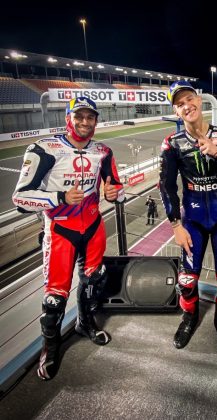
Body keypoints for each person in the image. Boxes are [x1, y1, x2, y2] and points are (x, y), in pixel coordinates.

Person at [12, 96, 125, 380]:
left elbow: (117, 188)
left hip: (94, 226)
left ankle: (85, 323)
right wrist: (60, 197)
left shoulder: (104, 151)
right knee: (54, 299)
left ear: (96, 121)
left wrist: (115, 194)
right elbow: (20, 199)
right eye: (79, 116)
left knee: (93, 281)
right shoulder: (43, 149)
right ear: (68, 119)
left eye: (90, 117)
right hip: (60, 230)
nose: (85, 122)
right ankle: (50, 348)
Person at [159, 81, 217, 356]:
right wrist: (176, 225)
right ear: (176, 111)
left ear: (199, 101)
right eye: (179, 104)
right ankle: (189, 318)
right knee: (187, 281)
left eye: (189, 99)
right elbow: (166, 186)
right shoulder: (172, 143)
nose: (186, 106)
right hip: (192, 221)